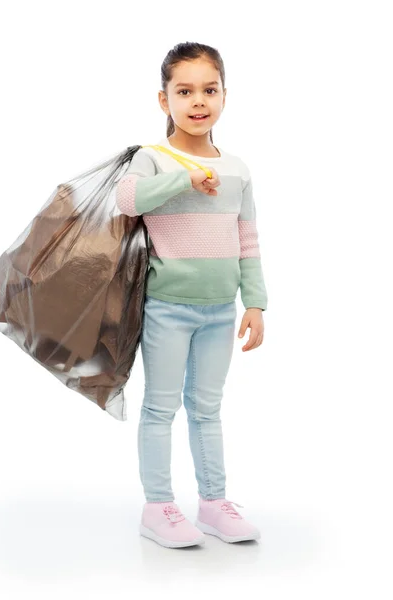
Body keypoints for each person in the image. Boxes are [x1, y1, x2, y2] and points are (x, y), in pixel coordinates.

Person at [116, 42, 268, 549]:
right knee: (160, 408)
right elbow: (127, 199)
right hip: (165, 308)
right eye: (184, 91)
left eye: (209, 89)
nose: (198, 101)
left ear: (225, 94)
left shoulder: (238, 168)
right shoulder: (152, 157)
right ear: (164, 100)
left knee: (207, 408)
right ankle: (158, 507)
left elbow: (247, 237)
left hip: (220, 311)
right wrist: (183, 177)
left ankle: (212, 504)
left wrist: (256, 302)